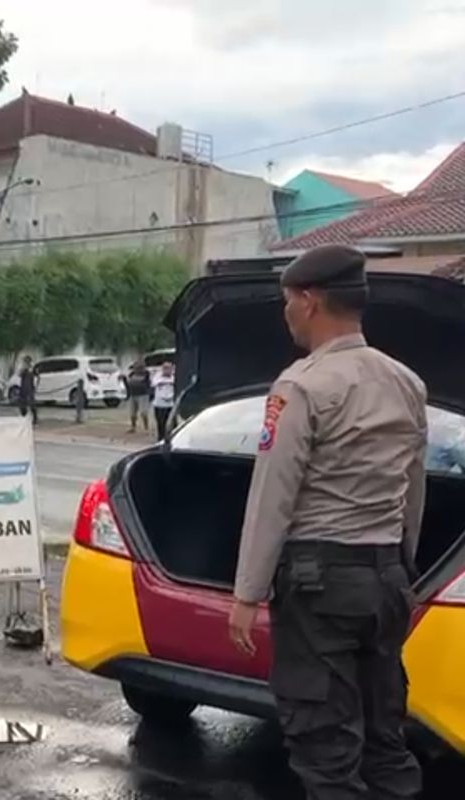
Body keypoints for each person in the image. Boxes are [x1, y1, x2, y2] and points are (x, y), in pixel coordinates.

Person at [228, 244, 426, 800]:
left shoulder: (301, 387)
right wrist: (401, 565)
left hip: (320, 588)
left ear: (310, 301)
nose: (285, 311)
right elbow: (414, 490)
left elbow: (273, 496)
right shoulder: (406, 383)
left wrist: (247, 593)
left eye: (288, 300)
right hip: (386, 578)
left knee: (326, 751)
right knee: (386, 739)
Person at [150, 361, 175, 441]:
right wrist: (165, 382)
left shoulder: (174, 377)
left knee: (173, 424)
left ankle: (172, 438)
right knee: (161, 423)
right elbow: (154, 383)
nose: (167, 370)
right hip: (159, 404)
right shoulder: (157, 376)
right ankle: (161, 439)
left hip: (171, 404)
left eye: (169, 368)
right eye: (165, 368)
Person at [125, 359, 151, 433]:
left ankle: (146, 427)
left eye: (139, 367)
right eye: (136, 367)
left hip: (143, 395)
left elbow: (148, 384)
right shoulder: (131, 374)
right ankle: (133, 427)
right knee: (132, 413)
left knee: (143, 412)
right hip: (133, 394)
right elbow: (128, 384)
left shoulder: (146, 374)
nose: (137, 369)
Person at [17, 355, 38, 425]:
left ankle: (35, 419)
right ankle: (24, 417)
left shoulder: (32, 368)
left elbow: (36, 377)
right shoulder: (23, 368)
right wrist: (23, 369)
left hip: (30, 388)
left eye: (27, 361)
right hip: (23, 388)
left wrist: (35, 386)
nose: (26, 363)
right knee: (22, 404)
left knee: (32, 404)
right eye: (25, 361)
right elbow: (19, 374)